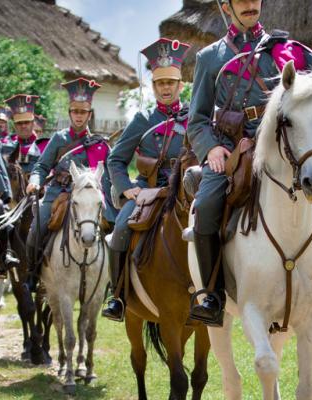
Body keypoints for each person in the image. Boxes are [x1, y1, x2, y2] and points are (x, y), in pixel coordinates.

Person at [187, 0, 312, 326]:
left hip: (295, 147)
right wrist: (210, 150)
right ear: (226, 6)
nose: (250, 5)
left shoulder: (296, 52)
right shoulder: (210, 58)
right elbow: (197, 120)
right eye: (241, 0)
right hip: (236, 150)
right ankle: (212, 296)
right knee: (206, 205)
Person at [101, 37, 191, 322]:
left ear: (181, 86)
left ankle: (217, 292)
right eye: (160, 83)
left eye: (171, 83)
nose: (166, 88)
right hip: (148, 191)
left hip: (187, 189)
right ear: (153, 87)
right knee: (119, 231)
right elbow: (115, 159)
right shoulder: (142, 119)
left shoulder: (194, 117)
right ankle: (117, 296)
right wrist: (128, 190)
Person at [22, 77, 116, 292]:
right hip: (58, 192)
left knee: (113, 228)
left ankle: (111, 280)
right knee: (36, 228)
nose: (79, 116)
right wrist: (35, 182)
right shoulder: (58, 138)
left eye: (83, 112)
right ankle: (33, 275)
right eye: (75, 111)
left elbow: (109, 175)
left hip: (87, 197)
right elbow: (41, 167)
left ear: (89, 114)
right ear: (69, 113)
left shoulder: (100, 144)